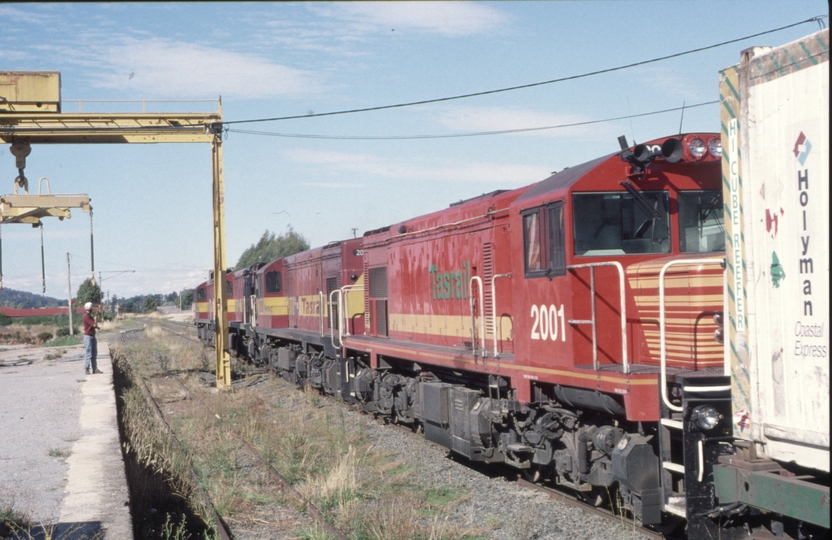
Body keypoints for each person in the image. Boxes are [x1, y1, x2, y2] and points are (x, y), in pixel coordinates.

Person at [83, 302, 102, 375]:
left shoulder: (88, 315)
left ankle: (95, 368)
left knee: (94, 353)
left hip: (92, 336)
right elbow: (94, 325)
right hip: (88, 337)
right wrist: (96, 320)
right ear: (90, 308)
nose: (92, 309)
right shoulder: (86, 316)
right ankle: (87, 368)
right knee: (89, 353)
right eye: (92, 308)